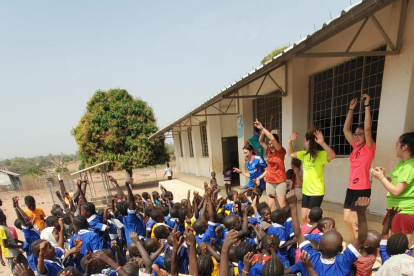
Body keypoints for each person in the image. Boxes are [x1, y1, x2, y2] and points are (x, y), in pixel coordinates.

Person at [287, 125, 336, 224]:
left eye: (305, 140)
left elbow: (332, 155)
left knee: (311, 218)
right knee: (304, 217)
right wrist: (289, 141)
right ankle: (306, 236)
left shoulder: (321, 154)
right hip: (306, 191)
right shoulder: (305, 154)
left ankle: (314, 236)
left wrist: (322, 143)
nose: (304, 143)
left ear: (308, 141)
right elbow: (291, 154)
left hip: (316, 192)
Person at [343, 94, 376, 239]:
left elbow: (368, 129)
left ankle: (359, 245)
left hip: (362, 188)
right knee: (346, 219)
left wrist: (367, 106)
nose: (356, 137)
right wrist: (351, 110)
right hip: (351, 188)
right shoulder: (355, 147)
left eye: (359, 134)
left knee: (354, 220)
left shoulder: (369, 148)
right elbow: (345, 130)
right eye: (355, 134)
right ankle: (355, 242)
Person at [371, 132, 414, 241]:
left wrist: (381, 178)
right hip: (396, 209)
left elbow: (396, 191)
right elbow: (397, 184)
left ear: (405, 147)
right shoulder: (403, 163)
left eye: (396, 144)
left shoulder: (410, 166)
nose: (395, 147)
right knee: (391, 241)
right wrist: (384, 177)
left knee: (399, 244)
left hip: (403, 210)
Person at [254, 119, 287, 209]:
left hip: (280, 181)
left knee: (282, 205)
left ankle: (283, 222)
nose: (270, 145)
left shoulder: (280, 150)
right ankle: (273, 222)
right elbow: (261, 141)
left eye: (272, 144)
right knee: (271, 205)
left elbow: (272, 138)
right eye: (269, 144)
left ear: (276, 143)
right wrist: (262, 133)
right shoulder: (269, 150)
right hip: (269, 180)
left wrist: (262, 128)